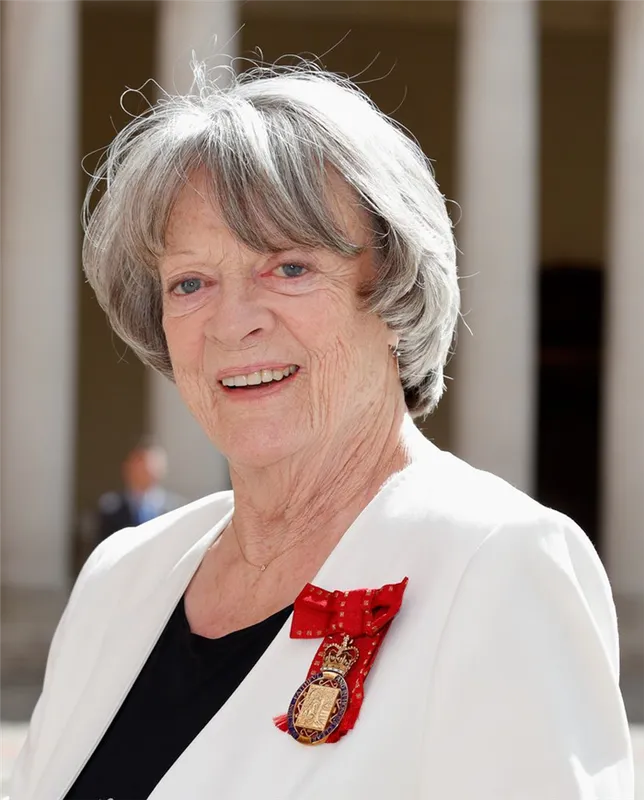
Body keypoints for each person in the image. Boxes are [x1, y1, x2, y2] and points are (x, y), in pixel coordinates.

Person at [9, 62, 633, 800]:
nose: (234, 322)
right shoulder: (123, 578)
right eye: (190, 283)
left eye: (290, 267)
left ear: (394, 288)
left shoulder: (500, 567)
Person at [96, 441, 184, 542]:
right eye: (139, 464)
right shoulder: (110, 508)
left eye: (151, 463)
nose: (145, 469)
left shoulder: (177, 509)